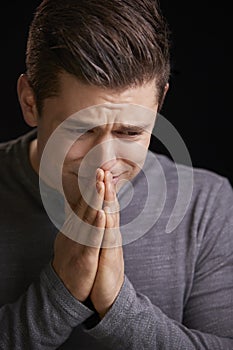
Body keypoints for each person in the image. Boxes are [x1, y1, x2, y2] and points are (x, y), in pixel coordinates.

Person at [0, 0, 233, 349]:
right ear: (30, 102)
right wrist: (58, 293)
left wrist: (118, 307)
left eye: (129, 133)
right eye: (81, 130)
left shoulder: (206, 205)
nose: (104, 163)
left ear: (160, 104)